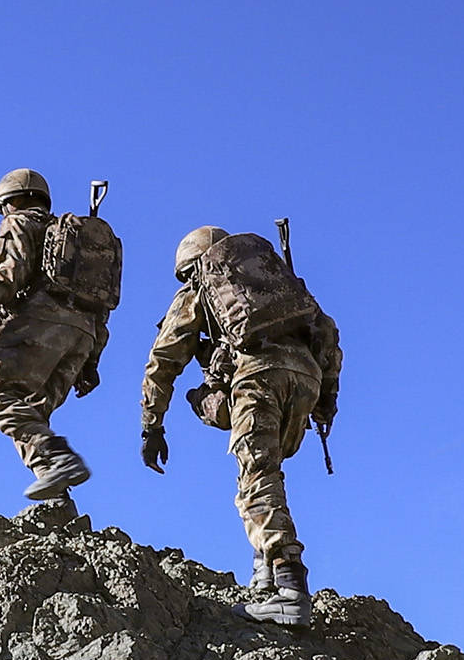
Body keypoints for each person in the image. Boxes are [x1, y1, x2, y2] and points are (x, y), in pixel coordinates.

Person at [137, 226, 341, 626]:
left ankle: (289, 584)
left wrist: (152, 424)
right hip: (306, 381)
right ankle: (263, 575)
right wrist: (326, 403)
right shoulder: (280, 284)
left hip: (257, 379)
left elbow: (162, 360)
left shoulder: (201, 286)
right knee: (263, 473)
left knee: (257, 478)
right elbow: (329, 336)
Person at [0, 169, 116, 502]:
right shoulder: (74, 240)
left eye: (4, 206)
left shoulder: (21, 223)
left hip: (42, 325)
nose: (5, 213)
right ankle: (57, 495)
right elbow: (101, 304)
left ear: (13, 200)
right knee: (31, 414)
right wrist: (92, 361)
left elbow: (9, 274)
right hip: (82, 339)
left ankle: (59, 458)